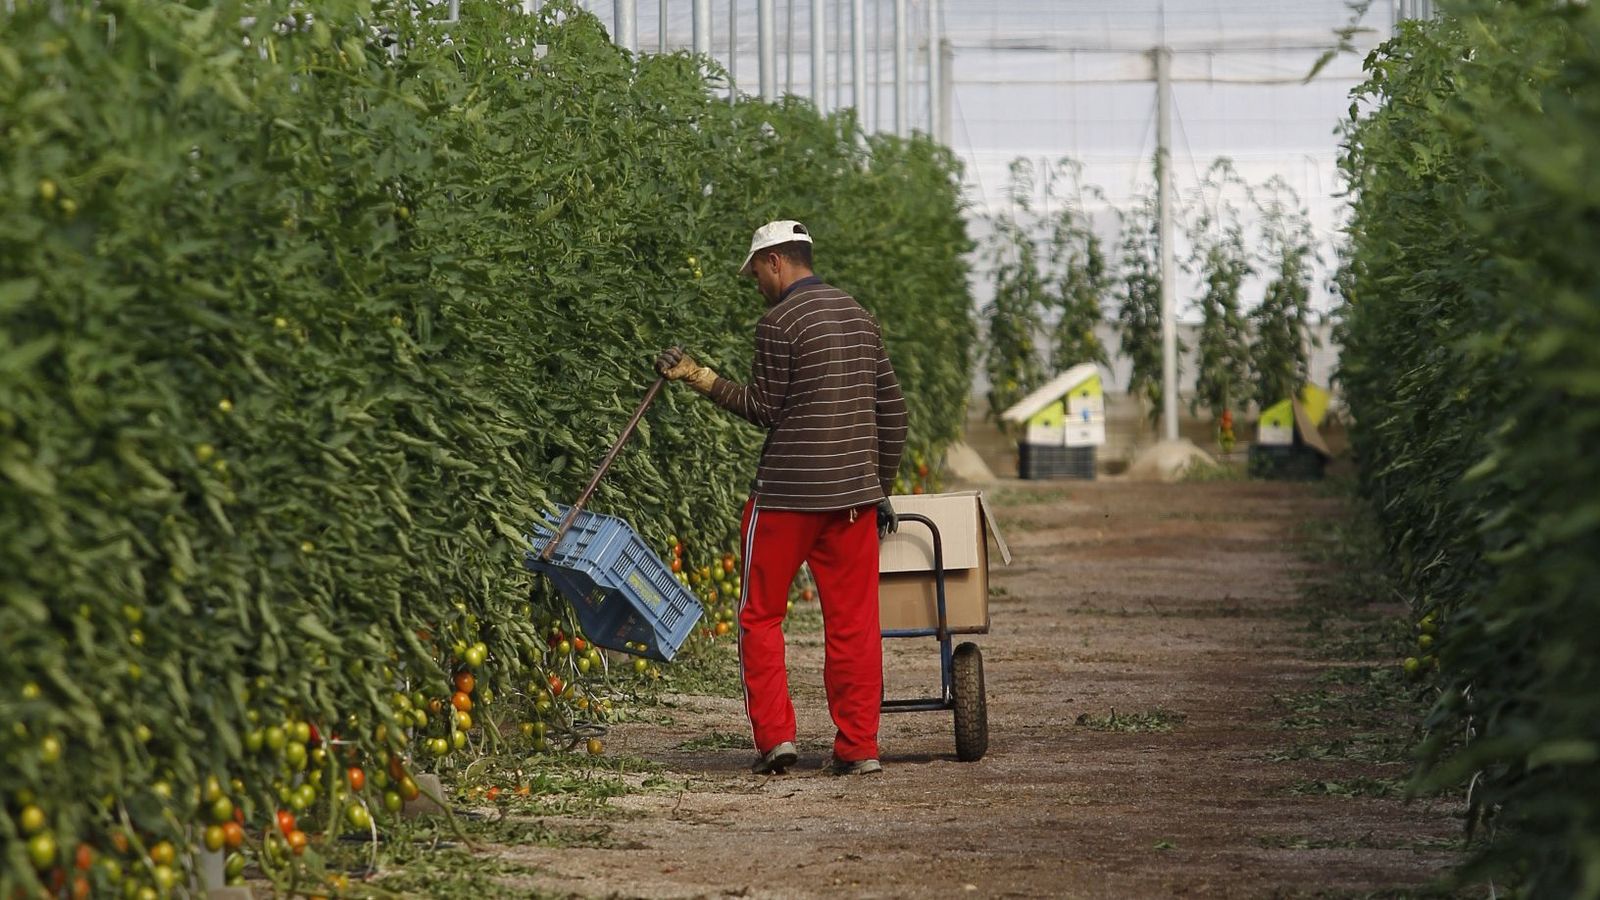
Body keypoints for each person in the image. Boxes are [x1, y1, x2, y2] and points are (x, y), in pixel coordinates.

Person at [656, 219, 907, 776]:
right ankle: (859, 747)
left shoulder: (780, 322)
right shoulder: (861, 318)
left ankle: (776, 740)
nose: (757, 285)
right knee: (854, 623)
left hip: (786, 500)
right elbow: (894, 415)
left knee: (760, 617)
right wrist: (877, 488)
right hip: (851, 502)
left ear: (775, 262)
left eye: (756, 275)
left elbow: (763, 409)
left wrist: (699, 376)